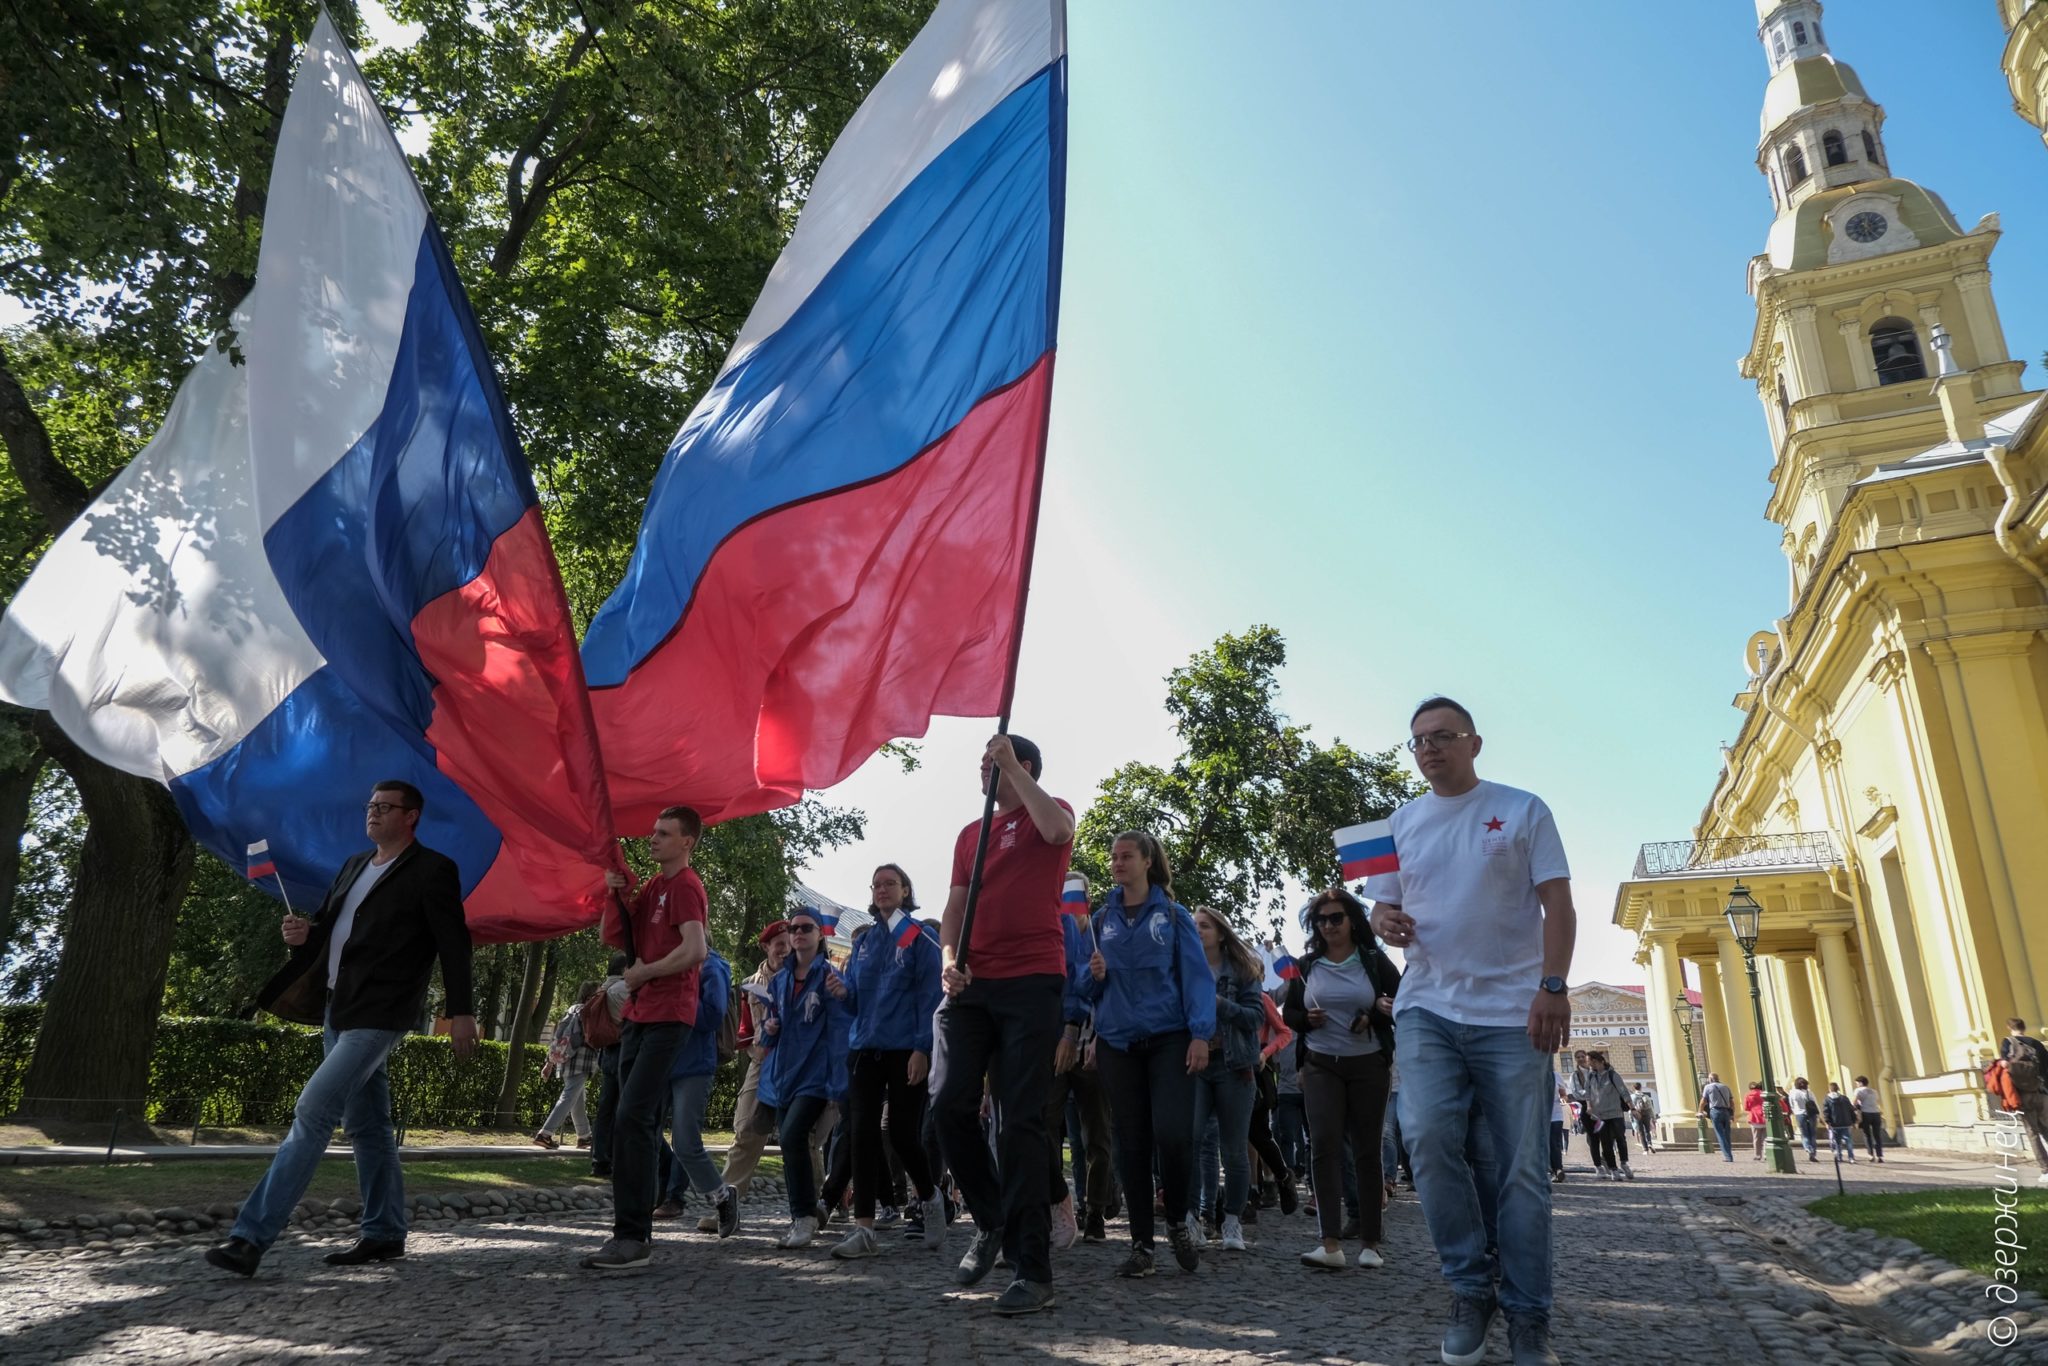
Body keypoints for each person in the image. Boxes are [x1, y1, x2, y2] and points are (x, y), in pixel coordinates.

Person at [1366, 697, 1573, 1366]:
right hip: (1428, 1005)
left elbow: (1558, 905)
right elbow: (1384, 908)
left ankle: (1527, 1315)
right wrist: (1382, 922)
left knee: (1521, 1172)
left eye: (1443, 736)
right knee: (1424, 1137)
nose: (1429, 748)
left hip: (1514, 1011)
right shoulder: (1399, 823)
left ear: (1474, 743)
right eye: (1418, 740)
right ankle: (1468, 1287)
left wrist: (1552, 986)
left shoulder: (1523, 809)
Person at [206, 781, 477, 1277]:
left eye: (384, 807)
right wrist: (302, 936)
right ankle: (384, 1233)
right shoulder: (353, 865)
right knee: (370, 1128)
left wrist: (462, 1011)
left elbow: (454, 945)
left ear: (411, 816)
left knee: (311, 1111)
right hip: (337, 1008)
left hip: (381, 1014)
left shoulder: (433, 870)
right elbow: (328, 933)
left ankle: (249, 1239)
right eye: (369, 804)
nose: (372, 813)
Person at [931, 733, 1076, 1316]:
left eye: (994, 763)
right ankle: (991, 1220)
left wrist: (1013, 769)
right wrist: (948, 960)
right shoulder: (971, 835)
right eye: (983, 765)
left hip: (1032, 981)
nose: (985, 773)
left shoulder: (1053, 810)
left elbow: (1059, 834)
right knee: (946, 1106)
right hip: (971, 985)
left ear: (1024, 767)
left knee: (1019, 1121)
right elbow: (955, 907)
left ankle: (1032, 1269)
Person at [581, 805, 709, 1272]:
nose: (652, 839)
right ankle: (633, 1232)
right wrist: (615, 893)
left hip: (669, 1015)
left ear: (687, 842)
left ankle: (632, 1237)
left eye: (663, 833)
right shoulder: (654, 887)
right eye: (653, 831)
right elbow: (609, 938)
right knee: (631, 1118)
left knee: (633, 1116)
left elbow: (696, 950)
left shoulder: (686, 887)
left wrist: (645, 973)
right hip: (639, 1013)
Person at [1081, 829, 1214, 1279]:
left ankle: (1177, 1218)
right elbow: (1081, 989)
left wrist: (1200, 1034)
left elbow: (1198, 979)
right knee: (1131, 1144)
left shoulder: (1174, 917)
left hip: (1170, 1038)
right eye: (1113, 857)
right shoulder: (1101, 921)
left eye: (1126, 856)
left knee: (1174, 1134)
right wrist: (1093, 975)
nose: (1117, 863)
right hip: (1118, 1043)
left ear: (1147, 862)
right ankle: (1141, 1245)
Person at [832, 863, 947, 1259]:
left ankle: (930, 1196)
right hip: (865, 1049)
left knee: (901, 1134)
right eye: (877, 884)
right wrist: (841, 992)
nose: (882, 890)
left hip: (905, 1050)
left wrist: (921, 1048)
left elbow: (930, 996)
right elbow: (856, 1003)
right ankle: (864, 1229)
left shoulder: (920, 937)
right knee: (861, 1134)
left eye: (890, 884)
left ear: (905, 891)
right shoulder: (863, 943)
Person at [1283, 886, 1400, 1272]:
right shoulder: (1307, 965)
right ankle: (1329, 1243)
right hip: (1321, 1064)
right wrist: (1306, 1020)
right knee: (1324, 1146)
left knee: (1367, 1150)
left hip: (1368, 1063)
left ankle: (1371, 1243)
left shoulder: (1373, 960)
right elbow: (1290, 1016)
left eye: (1336, 917)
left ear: (1352, 921)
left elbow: (1404, 999)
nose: (1328, 925)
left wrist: (1376, 1015)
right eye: (1321, 919)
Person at [759, 908, 853, 1248]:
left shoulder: (829, 978)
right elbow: (770, 1026)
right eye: (793, 928)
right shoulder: (780, 980)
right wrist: (768, 1030)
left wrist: (837, 1085)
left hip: (816, 1075)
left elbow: (840, 1033)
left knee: (793, 1133)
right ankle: (803, 1212)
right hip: (784, 1075)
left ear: (819, 935)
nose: (798, 933)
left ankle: (804, 1217)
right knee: (790, 1142)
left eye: (805, 928)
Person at [1186, 907, 1269, 1253]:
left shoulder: (1243, 971)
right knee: (1189, 1142)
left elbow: (1255, 1017)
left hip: (1234, 1065)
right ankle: (1190, 1219)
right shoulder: (1183, 968)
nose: (1198, 931)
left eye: (1204, 926)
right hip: (1193, 1065)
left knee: (1233, 1150)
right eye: (1194, 927)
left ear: (1221, 934)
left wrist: (1220, 1004)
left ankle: (1231, 1220)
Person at [1046, 874, 1115, 1247]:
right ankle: (1057, 1204)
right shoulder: (1055, 933)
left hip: (1095, 1047)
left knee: (1096, 1137)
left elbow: (1113, 992)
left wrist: (1098, 1037)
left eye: (1076, 895)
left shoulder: (1103, 933)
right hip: (1057, 1044)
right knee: (1045, 1129)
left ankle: (1095, 1213)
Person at [651, 950, 740, 1237]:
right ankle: (642, 1207)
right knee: (638, 1133)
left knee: (686, 1143)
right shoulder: (660, 960)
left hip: (693, 1065)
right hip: (659, 1060)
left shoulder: (713, 966)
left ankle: (723, 1198)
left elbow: (713, 1015)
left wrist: (677, 998)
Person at [534, 982, 600, 1149]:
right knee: (569, 1097)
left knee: (577, 1099)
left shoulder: (572, 1010)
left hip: (565, 1059)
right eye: (598, 994)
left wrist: (549, 1063)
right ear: (590, 996)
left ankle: (584, 1136)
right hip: (581, 1060)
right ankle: (545, 1134)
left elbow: (558, 1036)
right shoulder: (589, 1011)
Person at [586, 955, 630, 1176]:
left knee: (605, 1107)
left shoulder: (601, 989)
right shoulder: (625, 989)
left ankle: (599, 1158)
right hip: (624, 1048)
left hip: (607, 1051)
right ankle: (618, 1157)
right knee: (625, 1106)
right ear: (625, 968)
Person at [1998, 1019, 2048, 1184]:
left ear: (2009, 1028)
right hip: (2041, 1092)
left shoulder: (2008, 1043)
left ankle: (2046, 1170)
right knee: (2047, 1129)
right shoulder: (2037, 1044)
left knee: (2033, 1134)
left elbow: (2004, 1065)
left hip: (2022, 1096)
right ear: (2024, 1028)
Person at [1581, 1052, 1632, 1181]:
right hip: (1599, 1115)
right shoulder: (1591, 1076)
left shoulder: (1612, 1074)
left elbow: (1623, 1091)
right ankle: (1613, 1169)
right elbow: (1587, 1093)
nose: (1588, 1064)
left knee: (1620, 1138)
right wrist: (1589, 1106)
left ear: (1598, 1061)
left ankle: (1624, 1163)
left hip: (1615, 1113)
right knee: (1606, 1143)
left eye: (1590, 1061)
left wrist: (1633, 1108)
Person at [1698, 1073, 1736, 1162]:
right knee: (1727, 1134)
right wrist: (1732, 1114)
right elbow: (1732, 1102)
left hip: (1715, 1111)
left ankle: (1728, 1156)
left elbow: (1703, 1101)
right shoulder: (1726, 1087)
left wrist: (1700, 1111)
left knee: (1720, 1134)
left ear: (1710, 1079)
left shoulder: (1708, 1087)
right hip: (1726, 1112)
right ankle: (1729, 1154)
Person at [1851, 1075, 1885, 1162]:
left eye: (1857, 1083)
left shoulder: (1858, 1090)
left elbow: (1854, 1102)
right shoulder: (1874, 1091)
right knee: (1877, 1135)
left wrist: (1853, 1111)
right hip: (1876, 1113)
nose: (1857, 1085)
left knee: (1867, 1134)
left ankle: (1871, 1155)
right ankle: (1880, 1155)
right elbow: (1877, 1101)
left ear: (1861, 1083)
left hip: (1866, 1113)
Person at [1787, 1077, 1820, 1163]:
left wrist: (1795, 1111)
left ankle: (1807, 1148)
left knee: (1804, 1133)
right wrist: (1818, 1115)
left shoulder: (1793, 1093)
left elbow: (1791, 1104)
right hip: (1811, 1114)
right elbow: (1815, 1104)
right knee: (1812, 1134)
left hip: (1799, 1114)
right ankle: (1813, 1153)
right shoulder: (1809, 1093)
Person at [1822, 1083, 1857, 1161]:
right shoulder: (1844, 1098)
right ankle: (1851, 1157)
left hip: (1835, 1124)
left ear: (1830, 1089)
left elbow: (1826, 1112)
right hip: (1846, 1122)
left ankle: (1839, 1156)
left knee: (1837, 1141)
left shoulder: (1827, 1099)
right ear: (1838, 1088)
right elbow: (1851, 1110)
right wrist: (1854, 1121)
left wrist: (1827, 1122)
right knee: (1848, 1140)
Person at [1628, 1084, 1658, 1155]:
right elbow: (1651, 1108)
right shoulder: (1646, 1096)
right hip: (1646, 1114)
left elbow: (1630, 1109)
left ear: (1634, 1088)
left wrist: (1631, 1118)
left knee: (1641, 1132)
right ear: (1641, 1088)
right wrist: (1653, 1117)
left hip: (1637, 1115)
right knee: (1647, 1131)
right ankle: (1650, 1143)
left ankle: (1645, 1150)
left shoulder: (1632, 1097)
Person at [1743, 1082, 1769, 1161]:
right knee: (1766, 1138)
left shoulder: (1748, 1095)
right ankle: (1766, 1154)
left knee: (1756, 1138)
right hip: (1765, 1116)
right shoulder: (1764, 1094)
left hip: (1754, 1117)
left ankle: (1758, 1155)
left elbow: (1746, 1108)